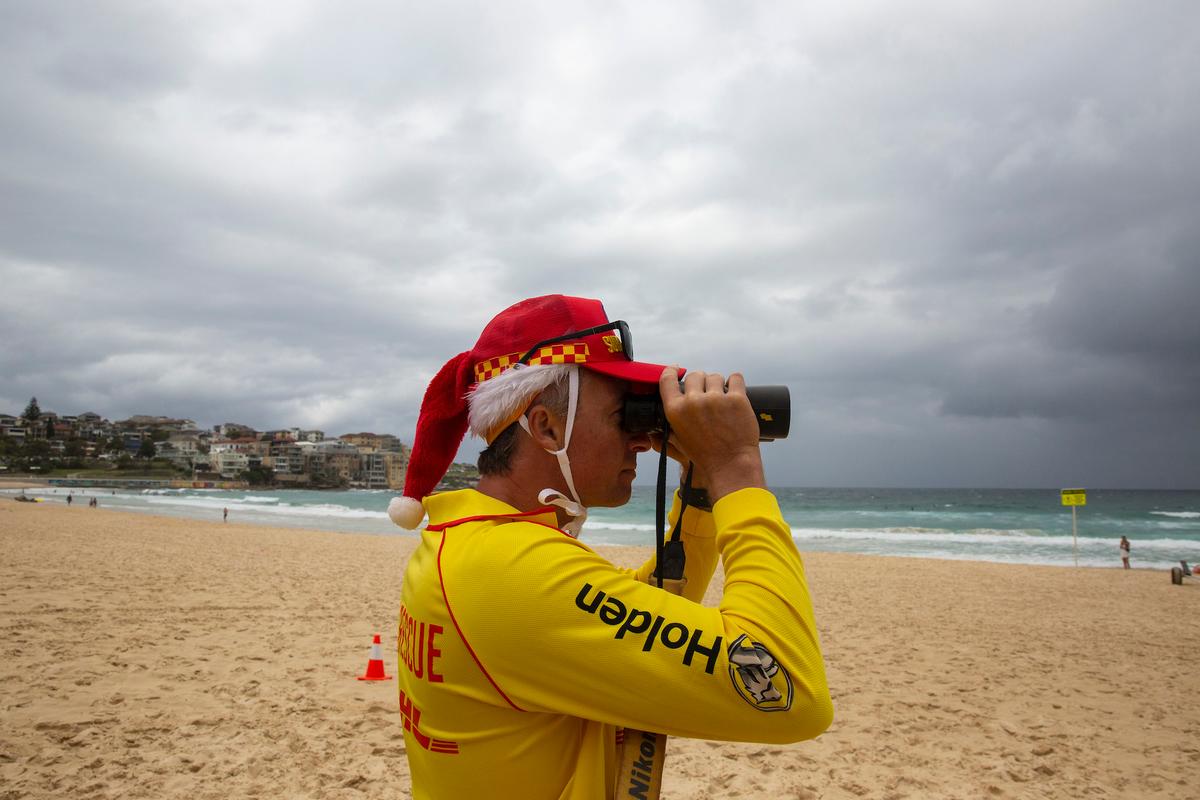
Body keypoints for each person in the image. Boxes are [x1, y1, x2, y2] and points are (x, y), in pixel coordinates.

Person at [388, 294, 832, 799]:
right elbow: (789, 689)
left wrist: (702, 491)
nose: (642, 441)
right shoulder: (509, 568)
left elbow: (644, 622)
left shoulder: (470, 540)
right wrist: (737, 471)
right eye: (625, 416)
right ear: (546, 426)